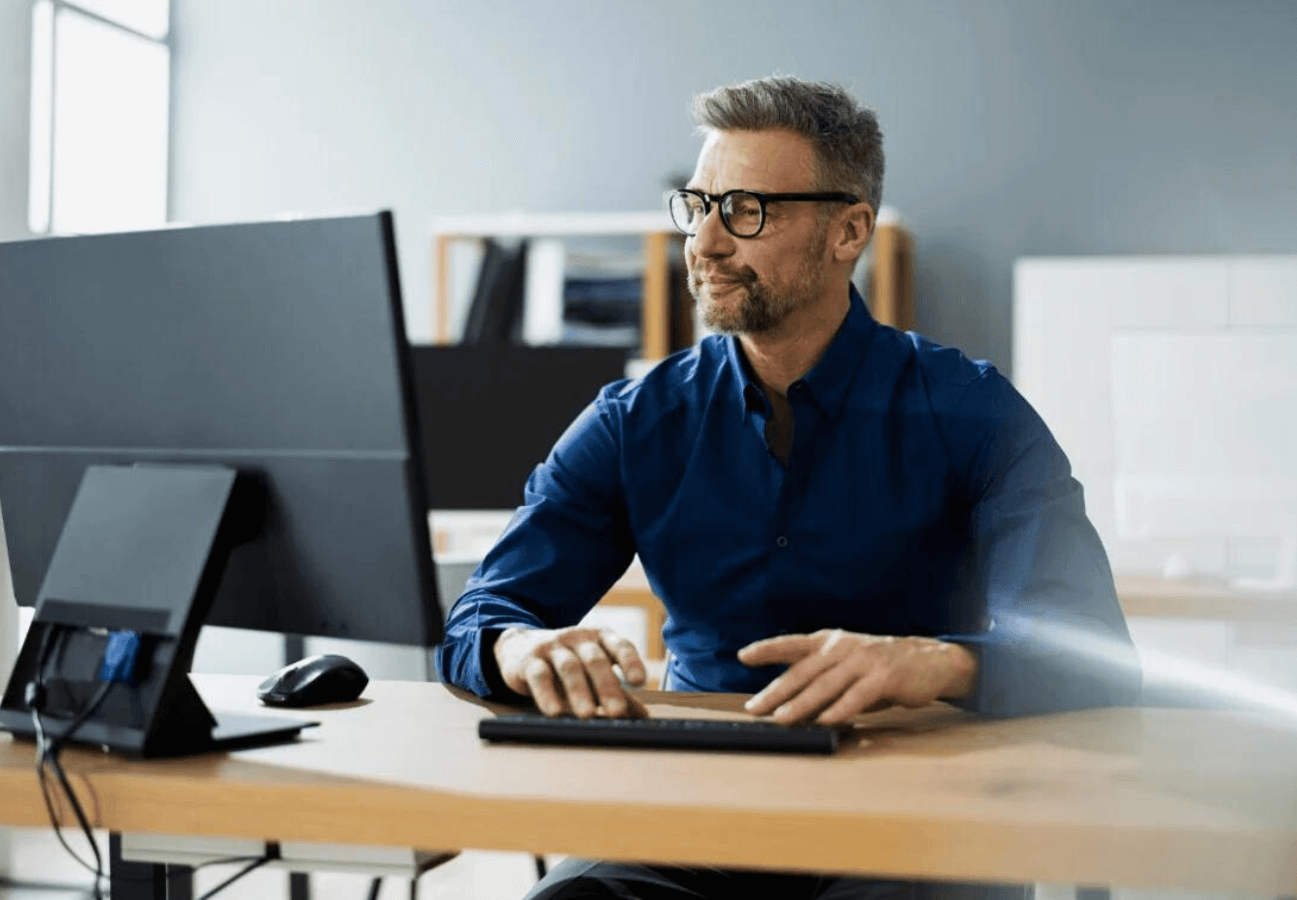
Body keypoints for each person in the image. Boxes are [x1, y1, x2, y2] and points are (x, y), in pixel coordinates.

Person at [435, 76, 1140, 900]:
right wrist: (521, 646)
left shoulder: (974, 412)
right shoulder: (634, 422)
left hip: (918, 816)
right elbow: (479, 618)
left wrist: (938, 663)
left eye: (746, 210)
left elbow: (1093, 660)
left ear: (849, 231)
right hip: (697, 816)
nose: (704, 242)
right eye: (697, 206)